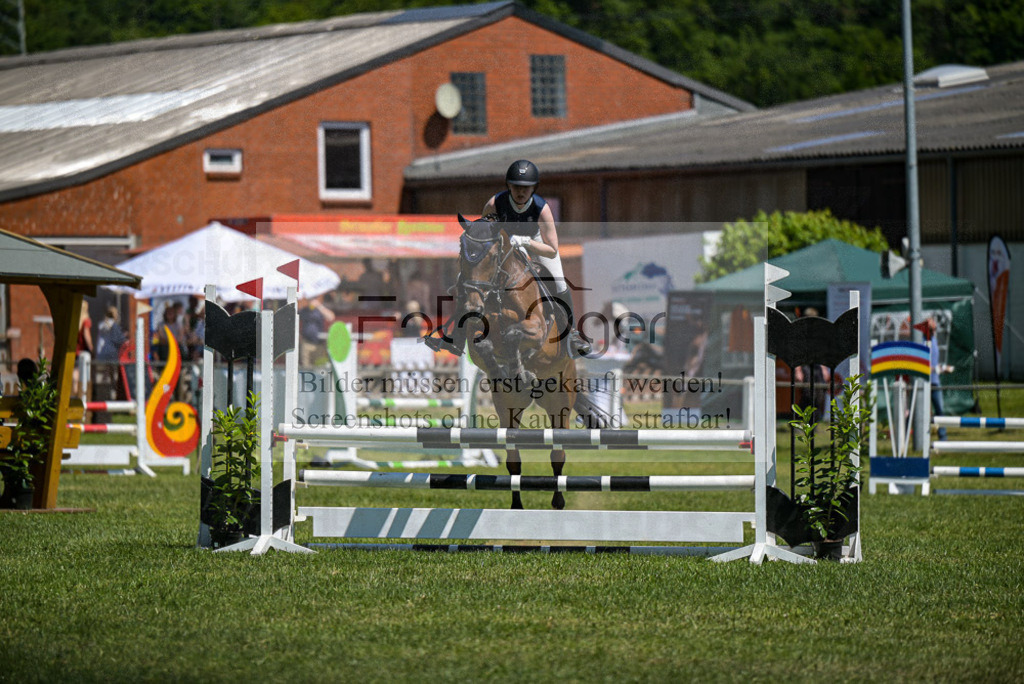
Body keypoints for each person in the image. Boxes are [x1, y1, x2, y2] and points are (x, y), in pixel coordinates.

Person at [426, 159, 591, 357]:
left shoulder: (542, 209)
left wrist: (527, 243)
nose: (521, 192)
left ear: (533, 189)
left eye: (526, 188)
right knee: (469, 278)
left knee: (558, 281)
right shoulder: (494, 204)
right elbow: (483, 234)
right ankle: (456, 337)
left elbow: (552, 250)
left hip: (535, 242)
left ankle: (571, 335)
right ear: (509, 186)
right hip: (503, 244)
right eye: (516, 187)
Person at [299, 295, 335, 367]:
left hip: (318, 344)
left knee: (319, 366)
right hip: (306, 343)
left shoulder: (320, 311)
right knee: (306, 367)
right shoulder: (305, 310)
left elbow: (331, 317)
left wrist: (319, 306)